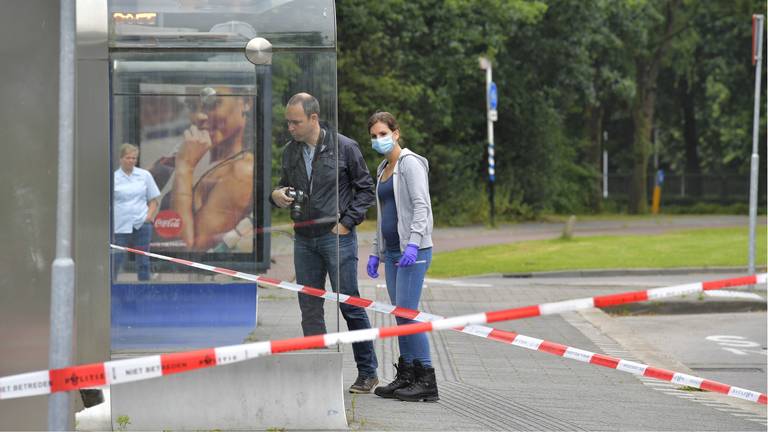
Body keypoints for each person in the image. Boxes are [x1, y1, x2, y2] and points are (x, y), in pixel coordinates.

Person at [270, 93, 379, 393]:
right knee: (309, 306)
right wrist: (277, 194)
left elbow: (365, 191)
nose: (290, 127)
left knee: (350, 304)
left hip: (336, 237)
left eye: (296, 122)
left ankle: (368, 371)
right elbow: (281, 185)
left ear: (314, 119)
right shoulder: (289, 152)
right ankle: (317, 370)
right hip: (304, 239)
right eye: (288, 122)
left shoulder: (344, 147)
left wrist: (346, 222)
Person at [365, 112, 438, 402]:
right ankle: (407, 374)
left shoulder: (410, 164)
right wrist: (375, 253)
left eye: (383, 133)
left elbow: (422, 206)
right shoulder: (383, 168)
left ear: (396, 133)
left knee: (408, 314)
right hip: (393, 252)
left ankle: (427, 379)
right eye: (373, 136)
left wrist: (414, 244)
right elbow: (382, 216)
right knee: (400, 315)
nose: (378, 139)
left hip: (414, 252)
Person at [150, 85, 254, 252]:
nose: (199, 116)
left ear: (246, 103)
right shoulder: (202, 157)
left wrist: (184, 168)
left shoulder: (241, 172)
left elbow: (189, 250)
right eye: (192, 106)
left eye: (212, 104)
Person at [113, 143, 161, 281]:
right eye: (128, 158)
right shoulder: (114, 178)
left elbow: (154, 200)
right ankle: (113, 289)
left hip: (142, 223)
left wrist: (148, 217)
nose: (132, 161)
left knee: (143, 262)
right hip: (120, 225)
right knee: (116, 259)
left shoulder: (144, 175)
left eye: (134, 158)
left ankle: (144, 289)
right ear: (121, 159)